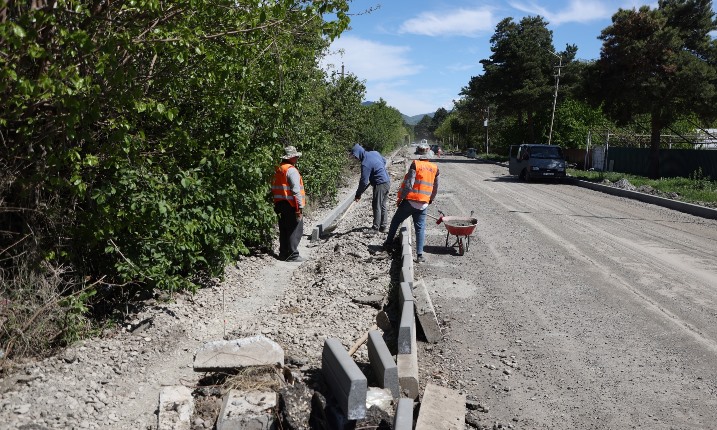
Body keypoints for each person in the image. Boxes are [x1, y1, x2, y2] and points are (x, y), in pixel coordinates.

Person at [382, 154, 439, 263]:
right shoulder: (435, 168)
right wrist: (430, 199)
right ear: (428, 158)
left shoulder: (416, 164)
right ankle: (420, 255)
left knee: (396, 221)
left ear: (420, 157)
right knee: (420, 228)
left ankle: (388, 244)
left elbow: (409, 184)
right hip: (423, 204)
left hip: (410, 202)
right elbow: (435, 187)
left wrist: (401, 198)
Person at [271, 146, 306, 262]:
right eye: (295, 156)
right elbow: (296, 191)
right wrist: (299, 208)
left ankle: (283, 253)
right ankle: (293, 255)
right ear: (291, 157)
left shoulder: (278, 169)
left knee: (284, 229)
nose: (297, 158)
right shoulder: (291, 170)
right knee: (295, 229)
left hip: (279, 204)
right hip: (291, 204)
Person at [350, 143, 391, 234]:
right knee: (382, 204)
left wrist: (358, 194)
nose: (356, 159)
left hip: (380, 184)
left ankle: (375, 228)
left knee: (376, 205)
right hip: (387, 181)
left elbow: (363, 182)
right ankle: (383, 226)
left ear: (358, 153)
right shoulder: (375, 153)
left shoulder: (365, 163)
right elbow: (384, 161)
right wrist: (377, 170)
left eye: (355, 156)